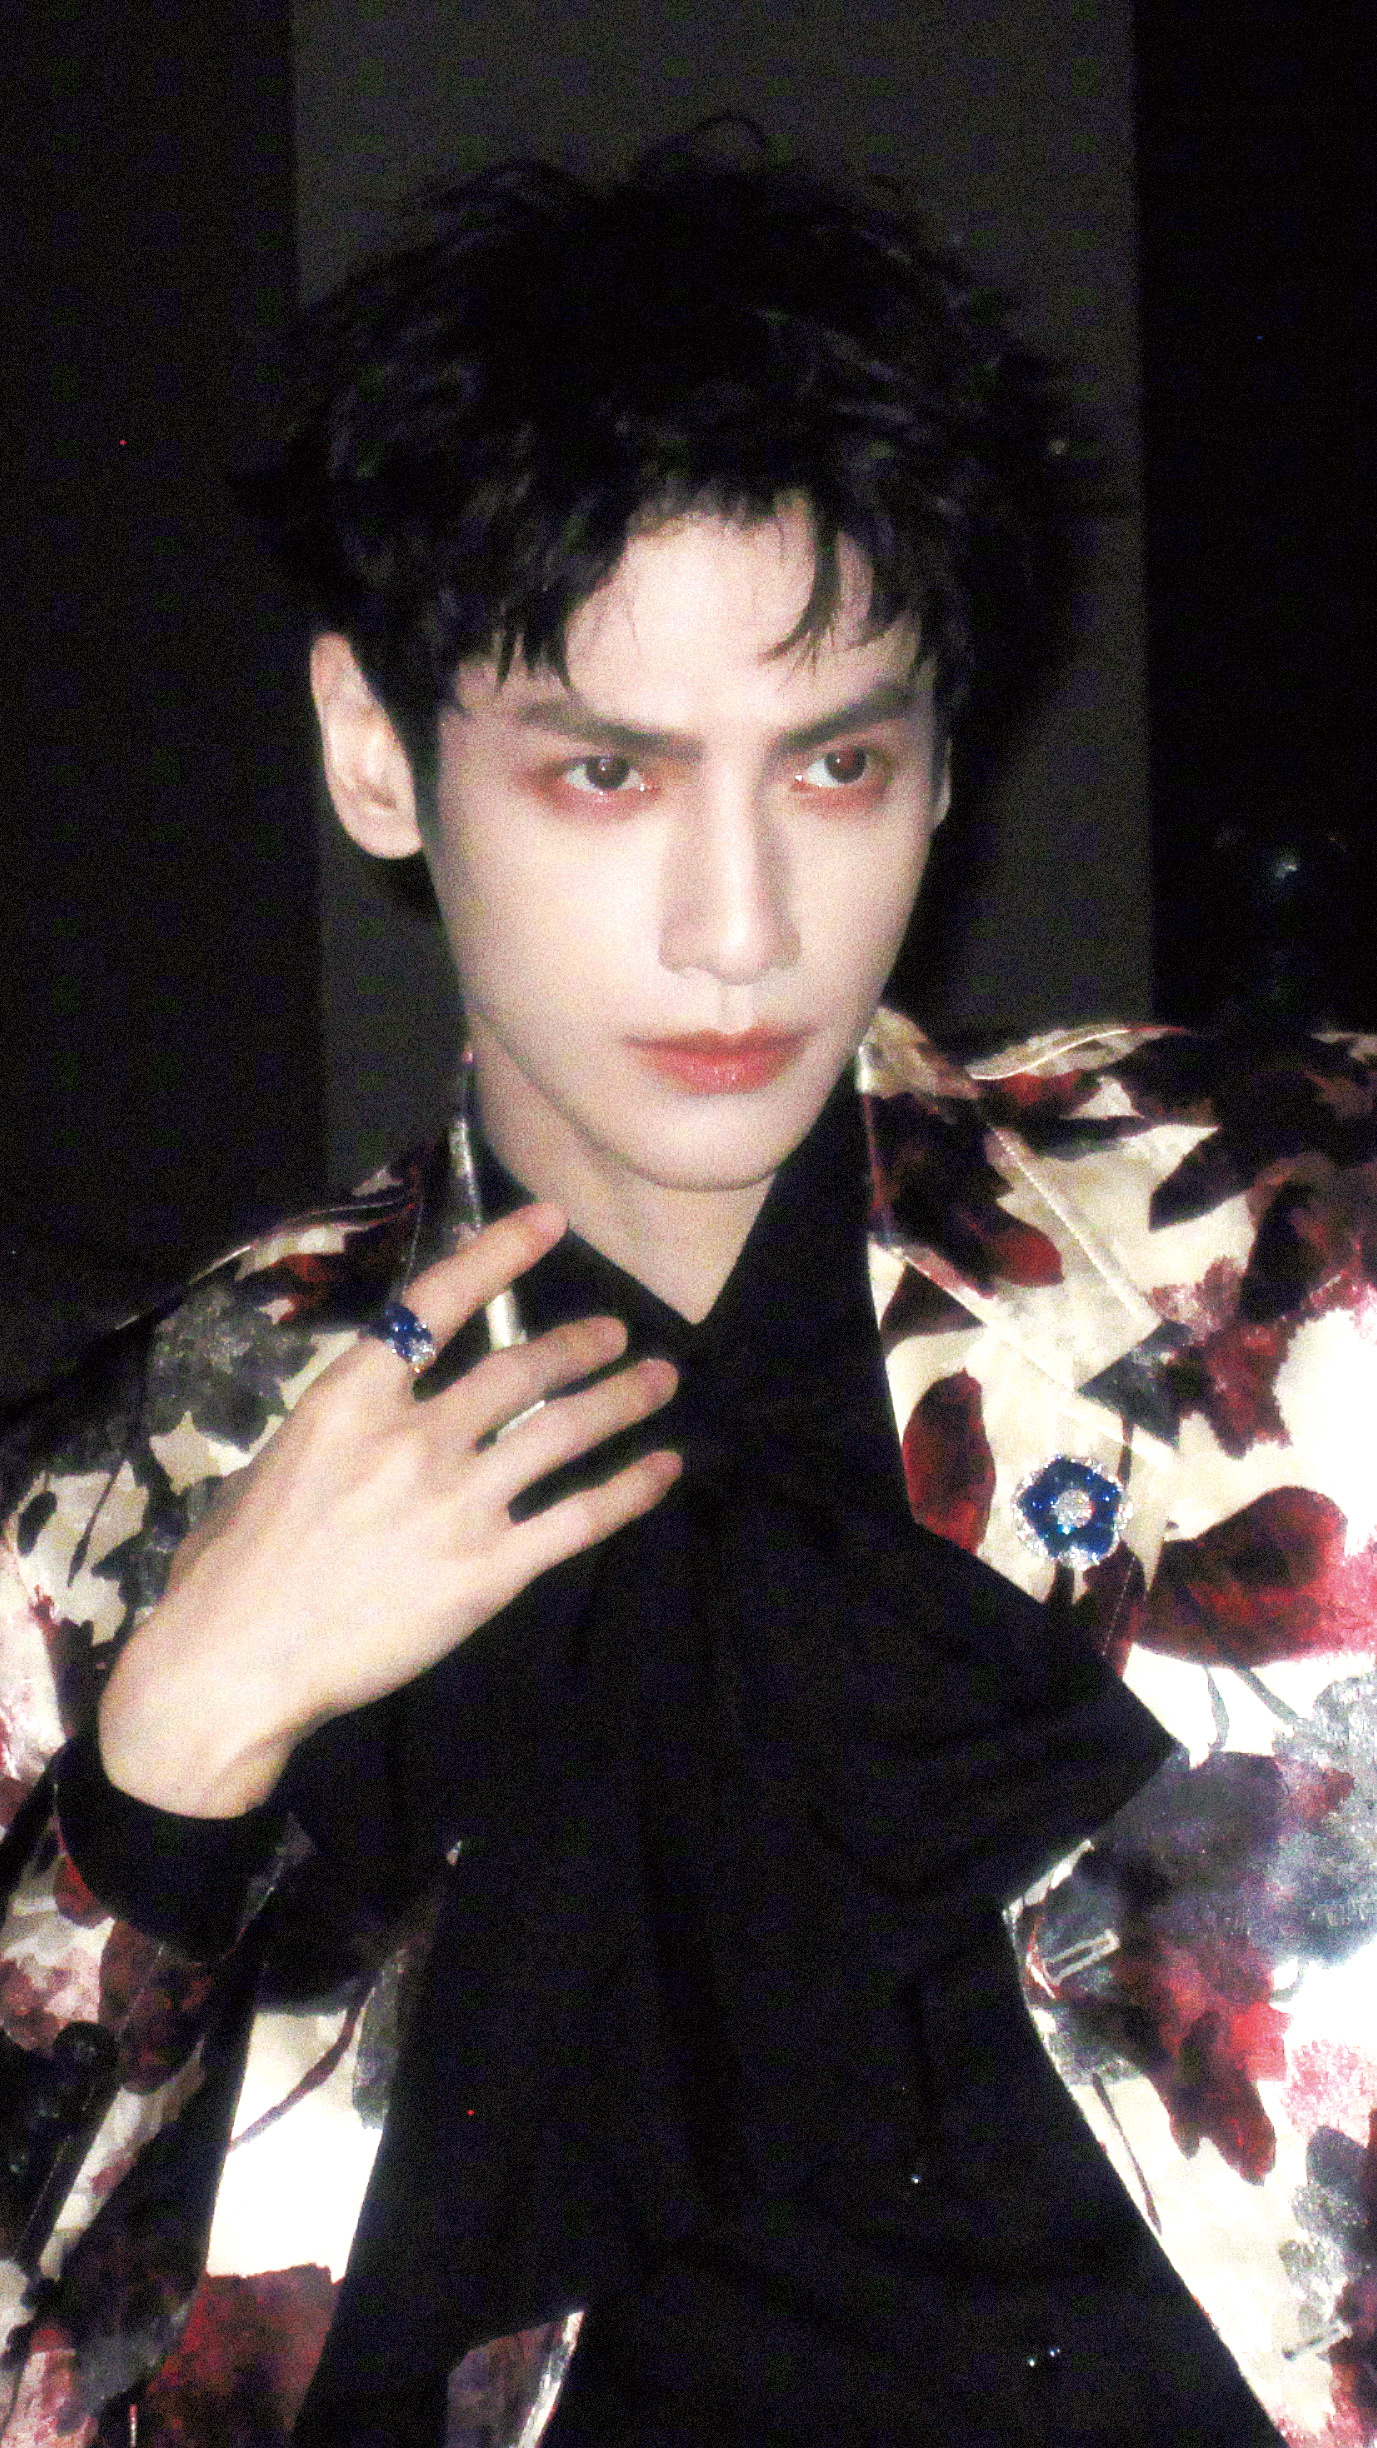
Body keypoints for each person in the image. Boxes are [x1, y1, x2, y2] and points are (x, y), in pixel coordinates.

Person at [0, 131, 1373, 2448]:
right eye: (604, 776)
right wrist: (169, 1764)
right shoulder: (135, 1489)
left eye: (832, 765)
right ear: (375, 754)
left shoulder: (1287, 1255)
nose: (738, 929)